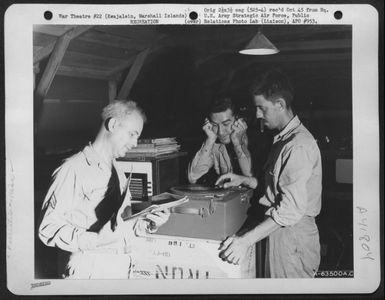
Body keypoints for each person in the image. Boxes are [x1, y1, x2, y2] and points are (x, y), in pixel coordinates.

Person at [38, 100, 170, 279]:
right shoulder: (74, 168)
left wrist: (150, 223)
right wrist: (94, 240)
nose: (135, 143)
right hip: (89, 269)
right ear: (113, 124)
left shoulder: (117, 169)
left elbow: (120, 225)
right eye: (132, 134)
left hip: (120, 266)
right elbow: (47, 229)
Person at [216, 70, 322, 278]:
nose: (257, 114)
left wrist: (244, 242)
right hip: (280, 230)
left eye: (261, 108)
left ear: (280, 105)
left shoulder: (297, 146)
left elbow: (290, 210)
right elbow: (279, 189)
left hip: (292, 237)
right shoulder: (283, 139)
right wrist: (246, 180)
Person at [188, 97, 252, 185]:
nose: (220, 132)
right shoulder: (215, 143)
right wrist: (210, 140)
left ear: (239, 120)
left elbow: (250, 179)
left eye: (226, 124)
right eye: (214, 125)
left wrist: (238, 143)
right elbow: (193, 177)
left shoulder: (257, 140)